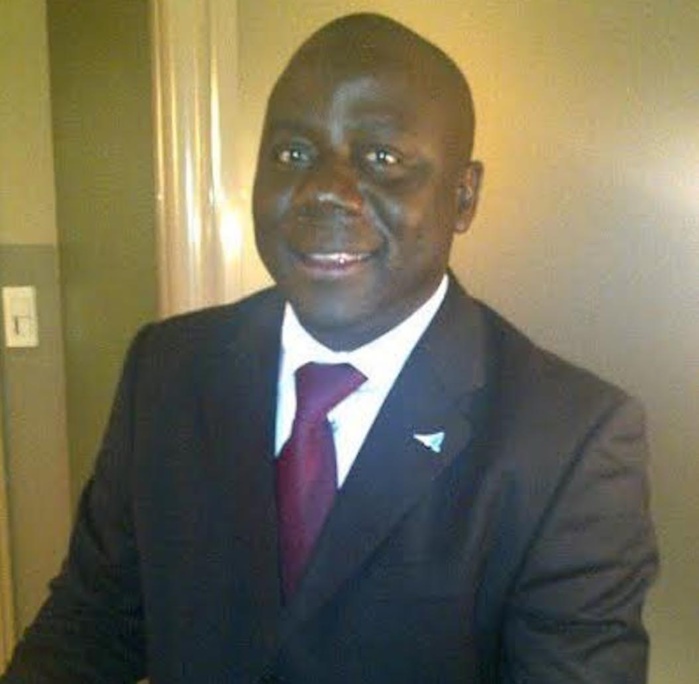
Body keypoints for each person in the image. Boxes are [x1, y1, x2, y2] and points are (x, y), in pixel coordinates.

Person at [2, 12, 657, 684]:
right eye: (292, 154)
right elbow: (92, 621)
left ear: (462, 197)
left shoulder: (570, 441)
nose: (323, 189)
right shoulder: (168, 368)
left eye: (382, 159)